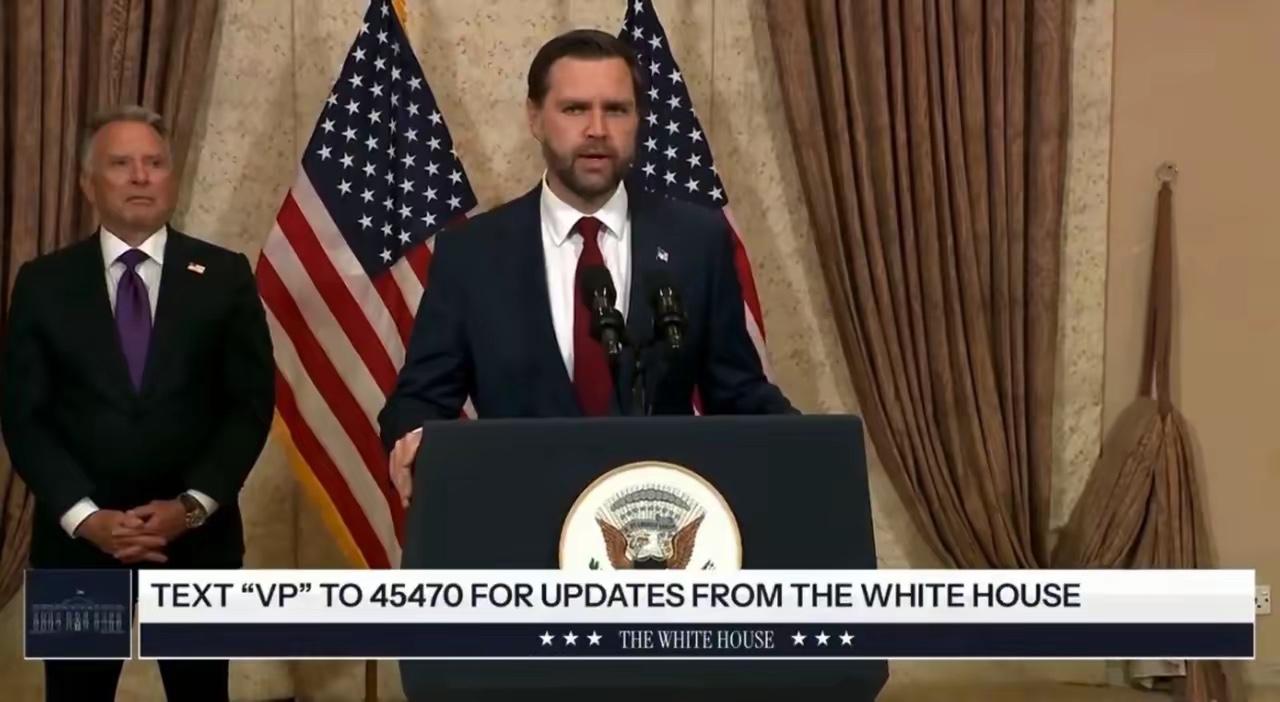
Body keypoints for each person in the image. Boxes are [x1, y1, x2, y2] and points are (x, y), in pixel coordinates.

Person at [378, 29, 794, 506]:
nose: (597, 129)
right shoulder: (471, 254)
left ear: (638, 119)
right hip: (519, 517)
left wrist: (813, 445)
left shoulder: (695, 242)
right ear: (535, 117)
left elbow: (738, 392)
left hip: (653, 522)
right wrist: (414, 436)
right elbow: (420, 398)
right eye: (575, 109)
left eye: (616, 110)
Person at [0, 106, 274, 701]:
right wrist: (86, 518)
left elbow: (250, 407)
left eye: (154, 163)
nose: (141, 176)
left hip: (197, 545)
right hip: (76, 550)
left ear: (172, 177)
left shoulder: (224, 275)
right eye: (121, 164)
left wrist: (192, 507)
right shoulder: (43, 283)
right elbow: (24, 417)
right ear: (87, 183)